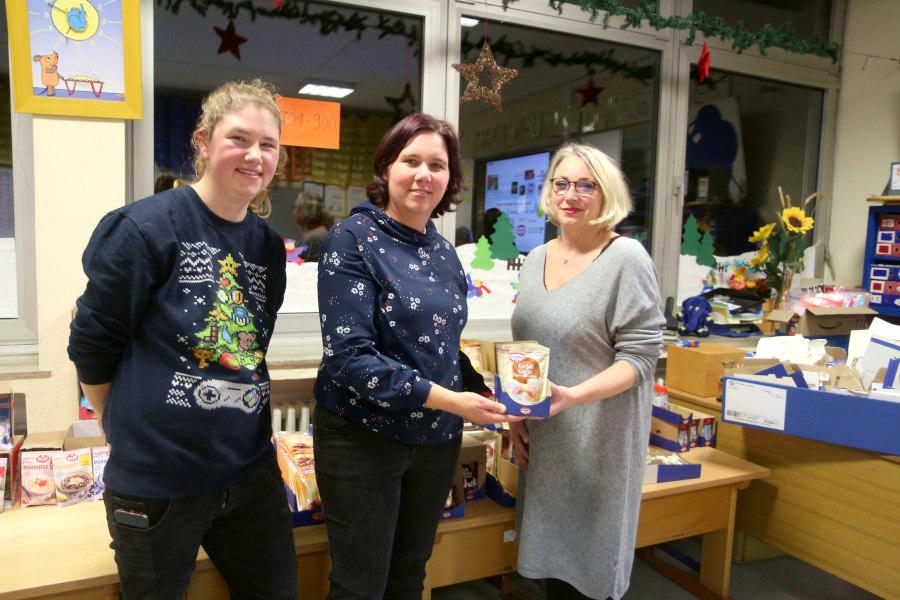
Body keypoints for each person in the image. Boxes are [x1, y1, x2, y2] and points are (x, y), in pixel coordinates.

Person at [67, 80, 297, 600]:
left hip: (248, 472)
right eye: (239, 138)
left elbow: (251, 346)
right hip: (157, 484)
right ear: (203, 142)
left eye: (268, 144)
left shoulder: (266, 246)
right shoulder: (142, 229)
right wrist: (127, 425)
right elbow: (91, 347)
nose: (254, 155)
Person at [314, 112, 518, 599]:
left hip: (433, 441)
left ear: (450, 179)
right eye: (411, 161)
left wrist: (494, 395)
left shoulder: (444, 252)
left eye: (437, 164)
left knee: (410, 573)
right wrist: (452, 402)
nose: (424, 174)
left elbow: (442, 349)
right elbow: (349, 357)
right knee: (360, 583)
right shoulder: (352, 240)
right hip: (364, 438)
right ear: (387, 167)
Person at [509, 143, 663, 600]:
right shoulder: (536, 258)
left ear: (606, 192)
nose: (570, 195)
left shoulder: (626, 258)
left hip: (598, 441)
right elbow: (528, 344)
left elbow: (639, 359)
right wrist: (518, 410)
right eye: (561, 183)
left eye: (585, 185)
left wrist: (571, 396)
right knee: (549, 572)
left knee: (589, 575)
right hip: (545, 436)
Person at [292, 191, 333, 262]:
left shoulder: (315, 239)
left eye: (296, 208)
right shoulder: (317, 235)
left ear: (305, 211)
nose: (293, 212)